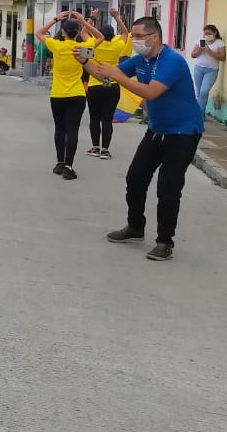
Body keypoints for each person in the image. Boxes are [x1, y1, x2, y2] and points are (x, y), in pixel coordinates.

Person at [85, 16, 204, 261]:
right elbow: (105, 76)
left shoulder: (172, 61)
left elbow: (151, 92)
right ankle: (135, 226)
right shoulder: (141, 60)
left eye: (139, 37)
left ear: (154, 37)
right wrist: (85, 60)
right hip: (157, 129)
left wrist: (117, 76)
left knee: (168, 186)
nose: (135, 41)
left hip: (183, 132)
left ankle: (164, 241)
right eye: (134, 37)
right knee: (135, 178)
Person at [39, 10, 102, 180]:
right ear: (77, 33)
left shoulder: (57, 46)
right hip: (77, 94)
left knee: (60, 129)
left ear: (63, 32)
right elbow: (100, 38)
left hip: (58, 94)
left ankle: (59, 162)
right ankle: (68, 166)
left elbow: (39, 33)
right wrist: (85, 22)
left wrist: (55, 19)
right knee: (72, 131)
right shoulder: (82, 49)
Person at [87, 8, 130, 159]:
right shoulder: (117, 45)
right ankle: (105, 150)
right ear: (113, 35)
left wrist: (92, 17)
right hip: (111, 84)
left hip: (95, 84)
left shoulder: (94, 44)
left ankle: (95, 147)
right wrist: (116, 17)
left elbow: (84, 32)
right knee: (107, 119)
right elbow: (125, 33)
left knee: (94, 118)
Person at [190, 24, 226, 116]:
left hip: (211, 70)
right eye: (205, 33)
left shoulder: (219, 43)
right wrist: (200, 50)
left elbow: (222, 57)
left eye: (209, 33)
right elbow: (193, 55)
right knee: (199, 92)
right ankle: (200, 113)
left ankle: (197, 114)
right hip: (199, 68)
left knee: (204, 91)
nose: (207, 35)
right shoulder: (200, 41)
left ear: (215, 33)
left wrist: (209, 51)